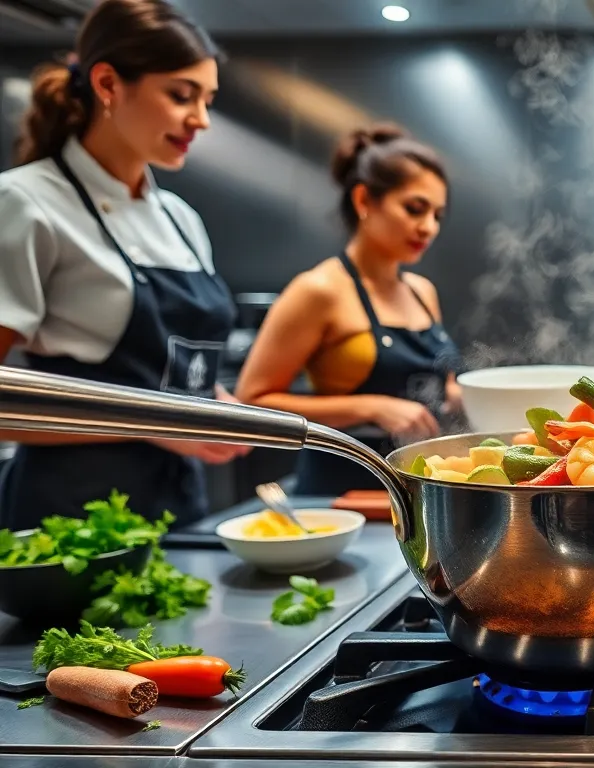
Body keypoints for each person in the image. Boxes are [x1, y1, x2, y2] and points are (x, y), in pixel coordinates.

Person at [0, 0, 249, 529]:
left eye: (207, 100)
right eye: (182, 95)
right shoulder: (24, 202)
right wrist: (155, 424)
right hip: (70, 523)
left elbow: (173, 374)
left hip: (179, 511)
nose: (200, 120)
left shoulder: (180, 218)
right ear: (109, 84)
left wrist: (222, 410)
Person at [235, 125, 461, 496]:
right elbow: (252, 402)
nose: (429, 227)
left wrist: (463, 393)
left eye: (437, 215)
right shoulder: (318, 290)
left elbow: (437, 381)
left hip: (416, 489)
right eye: (415, 209)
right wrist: (372, 406)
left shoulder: (423, 292)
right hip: (340, 495)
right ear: (363, 201)